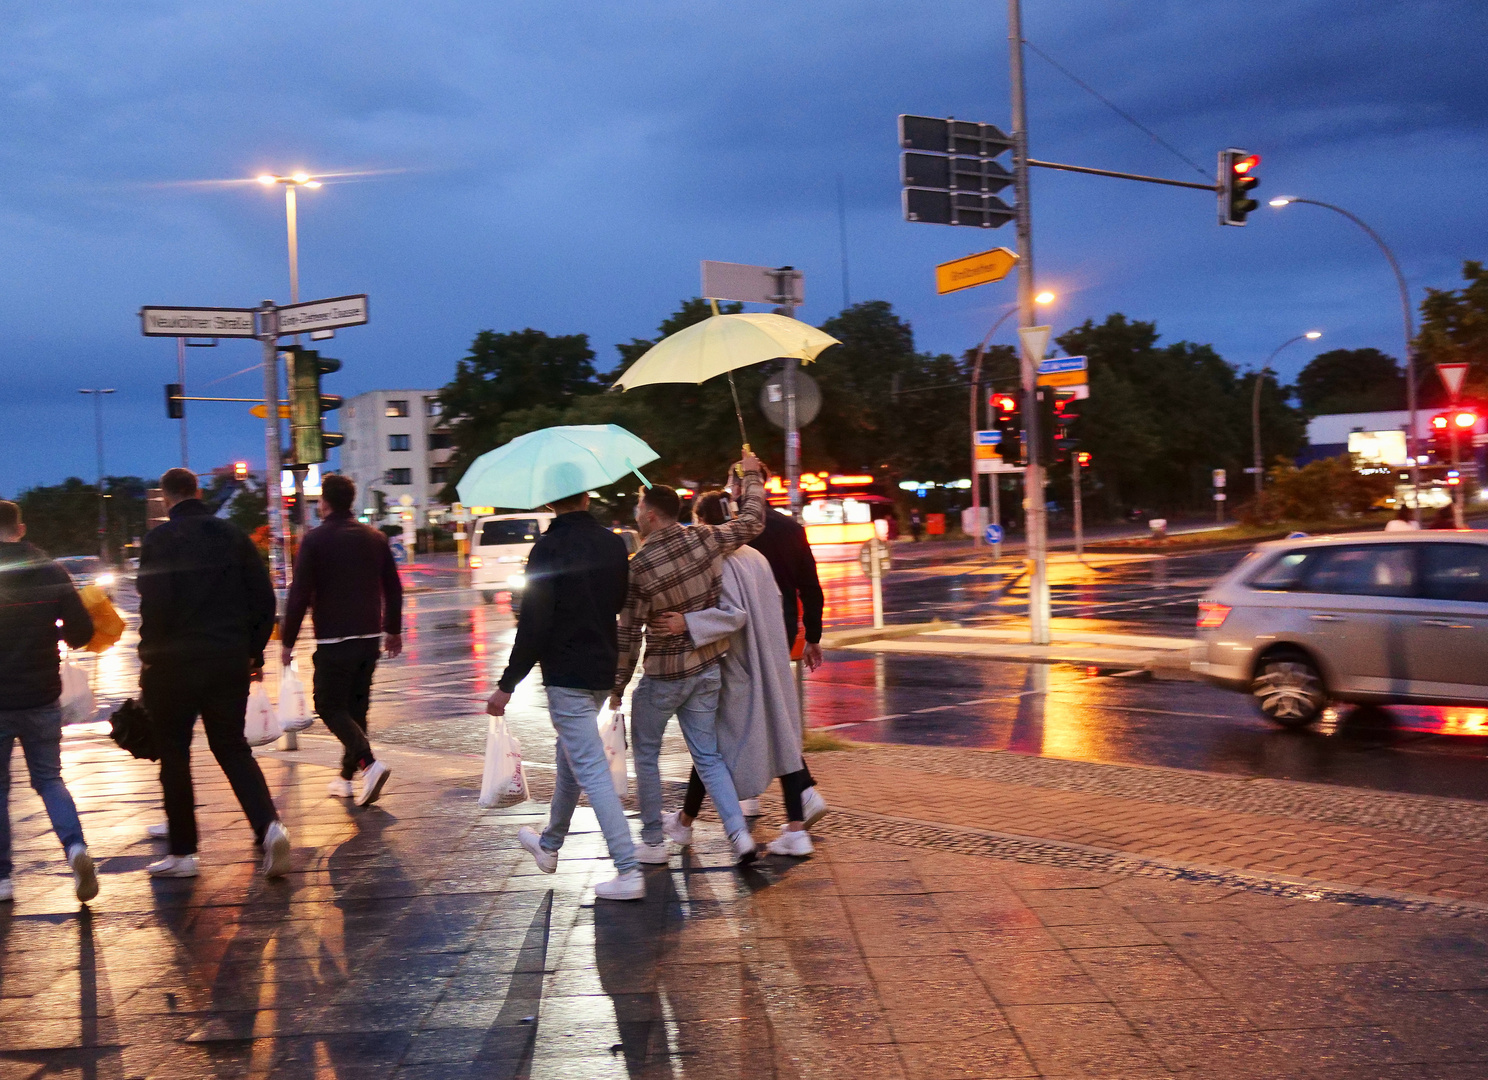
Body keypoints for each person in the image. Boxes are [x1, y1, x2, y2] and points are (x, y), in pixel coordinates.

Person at [486, 482, 642, 901]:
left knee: (590, 768)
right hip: (601, 668)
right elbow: (618, 602)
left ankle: (628, 869)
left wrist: (506, 686)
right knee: (569, 758)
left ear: (551, 502)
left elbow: (534, 624)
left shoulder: (547, 549)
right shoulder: (613, 546)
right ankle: (550, 845)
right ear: (587, 498)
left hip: (566, 673)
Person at [614, 452, 766, 866]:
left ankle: (653, 842)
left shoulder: (639, 566)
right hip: (706, 669)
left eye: (639, 506)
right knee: (708, 755)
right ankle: (739, 837)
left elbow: (628, 633)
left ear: (650, 515)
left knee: (646, 754)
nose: (636, 512)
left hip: (664, 676)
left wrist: (617, 686)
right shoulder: (705, 538)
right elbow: (753, 520)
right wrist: (751, 476)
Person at [137, 468, 290, 879]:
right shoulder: (232, 536)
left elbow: (155, 607)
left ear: (166, 499)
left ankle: (184, 854)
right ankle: (269, 825)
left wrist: (148, 655)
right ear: (199, 491)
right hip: (227, 660)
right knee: (231, 747)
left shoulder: (158, 541)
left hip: (174, 666)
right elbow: (264, 600)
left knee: (174, 753)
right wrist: (251, 652)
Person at [655, 491, 827, 858]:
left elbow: (732, 615)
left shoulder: (722, 561)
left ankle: (690, 824)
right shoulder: (755, 556)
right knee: (778, 737)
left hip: (738, 665)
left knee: (710, 747)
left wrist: (687, 622)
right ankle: (790, 827)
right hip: (771, 655)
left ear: (703, 523)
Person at [281, 473, 402, 807]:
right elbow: (393, 587)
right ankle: (346, 779)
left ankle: (368, 764)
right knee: (356, 708)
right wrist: (393, 629)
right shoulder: (375, 538)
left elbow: (300, 594)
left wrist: (286, 640)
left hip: (335, 640)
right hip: (369, 638)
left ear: (325, 502)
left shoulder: (315, 540)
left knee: (329, 705)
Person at [0, 501, 98, 903]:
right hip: (42, 695)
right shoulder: (51, 570)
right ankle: (75, 847)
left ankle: (3, 879)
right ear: (20, 528)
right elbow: (80, 633)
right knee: (49, 779)